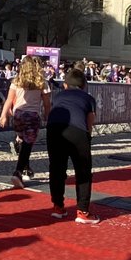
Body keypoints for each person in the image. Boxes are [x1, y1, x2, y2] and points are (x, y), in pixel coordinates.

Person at [46, 69, 99, 223]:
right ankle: (83, 211)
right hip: (77, 130)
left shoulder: (58, 96)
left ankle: (58, 206)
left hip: (54, 129)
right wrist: (87, 139)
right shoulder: (89, 98)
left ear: (65, 85)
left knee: (56, 168)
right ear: (83, 85)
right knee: (83, 171)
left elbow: (50, 112)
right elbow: (90, 122)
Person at [0, 55, 51, 187]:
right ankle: (18, 172)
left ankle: (25, 166)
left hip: (18, 114)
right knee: (28, 144)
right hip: (32, 115)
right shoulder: (41, 81)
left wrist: (4, 114)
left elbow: (9, 99)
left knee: (23, 139)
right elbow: (47, 103)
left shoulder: (17, 81)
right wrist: (47, 114)